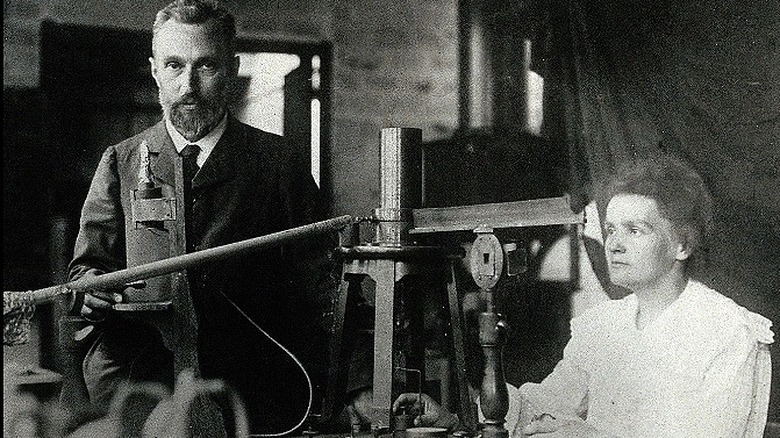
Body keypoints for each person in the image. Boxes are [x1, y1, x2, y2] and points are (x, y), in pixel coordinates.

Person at [66, 0, 331, 434]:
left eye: (205, 66)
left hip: (252, 397)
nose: (188, 86)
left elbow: (322, 288)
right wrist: (90, 291)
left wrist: (354, 383)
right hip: (140, 394)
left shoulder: (277, 163)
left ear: (232, 69)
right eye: (173, 65)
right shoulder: (121, 162)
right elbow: (86, 270)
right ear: (155, 71)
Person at [394, 154, 774, 437]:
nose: (614, 244)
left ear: (682, 245)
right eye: (610, 229)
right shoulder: (604, 327)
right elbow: (543, 406)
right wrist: (457, 415)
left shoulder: (727, 332)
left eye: (635, 230)